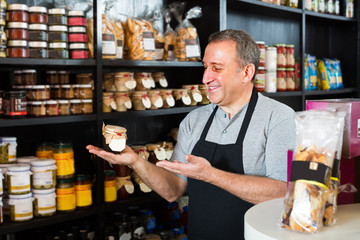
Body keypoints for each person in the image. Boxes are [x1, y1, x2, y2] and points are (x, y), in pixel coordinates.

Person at [87, 29, 295, 240]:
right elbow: (173, 190)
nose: (205, 78)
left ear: (247, 72)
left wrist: (210, 174)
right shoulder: (194, 120)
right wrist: (135, 162)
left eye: (217, 68)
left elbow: (281, 192)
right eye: (205, 67)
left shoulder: (278, 117)